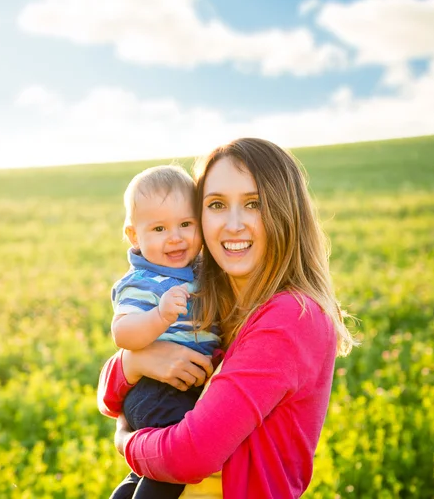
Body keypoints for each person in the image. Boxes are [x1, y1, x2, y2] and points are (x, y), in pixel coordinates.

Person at [98, 138, 357, 498]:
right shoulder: (216, 297)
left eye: (253, 204)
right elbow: (110, 397)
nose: (233, 224)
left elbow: (190, 456)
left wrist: (126, 441)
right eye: (216, 204)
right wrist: (136, 360)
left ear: (285, 211)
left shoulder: (289, 318)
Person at [108, 165, 222, 499]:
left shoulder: (200, 271)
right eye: (159, 228)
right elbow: (123, 334)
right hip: (154, 391)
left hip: (183, 390)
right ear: (134, 236)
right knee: (175, 461)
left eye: (186, 224)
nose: (175, 237)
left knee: (150, 470)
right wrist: (158, 317)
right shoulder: (141, 283)